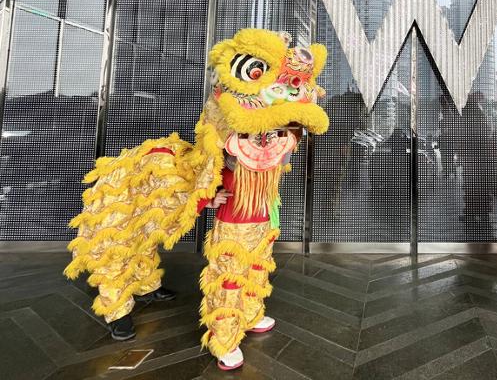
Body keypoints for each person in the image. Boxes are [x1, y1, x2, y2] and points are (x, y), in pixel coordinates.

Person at [64, 29, 329, 371]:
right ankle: (223, 338)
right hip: (235, 218)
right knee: (229, 272)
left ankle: (250, 313)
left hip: (263, 214)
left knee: (258, 264)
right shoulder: (225, 125)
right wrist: (208, 195)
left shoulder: (278, 133)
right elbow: (212, 154)